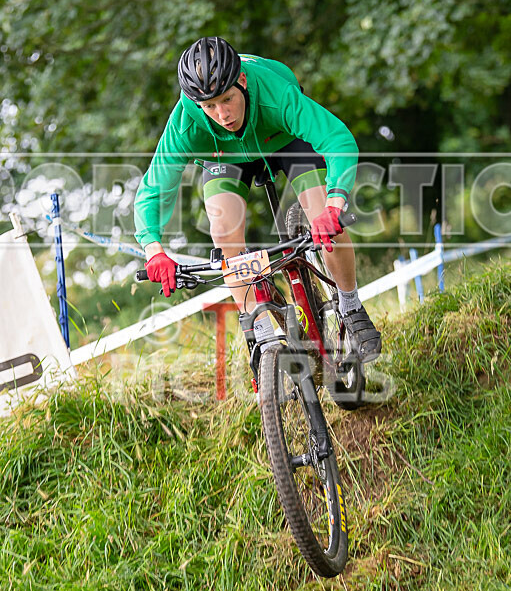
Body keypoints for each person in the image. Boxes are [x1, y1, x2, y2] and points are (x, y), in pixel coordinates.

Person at [134, 37, 381, 363]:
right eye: (209, 106)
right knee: (223, 231)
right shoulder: (187, 120)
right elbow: (153, 189)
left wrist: (335, 206)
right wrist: (154, 251)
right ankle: (262, 336)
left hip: (283, 137)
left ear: (242, 82)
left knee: (322, 214)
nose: (222, 114)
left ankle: (351, 306)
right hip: (225, 155)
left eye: (227, 100)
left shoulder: (276, 94)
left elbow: (337, 139)